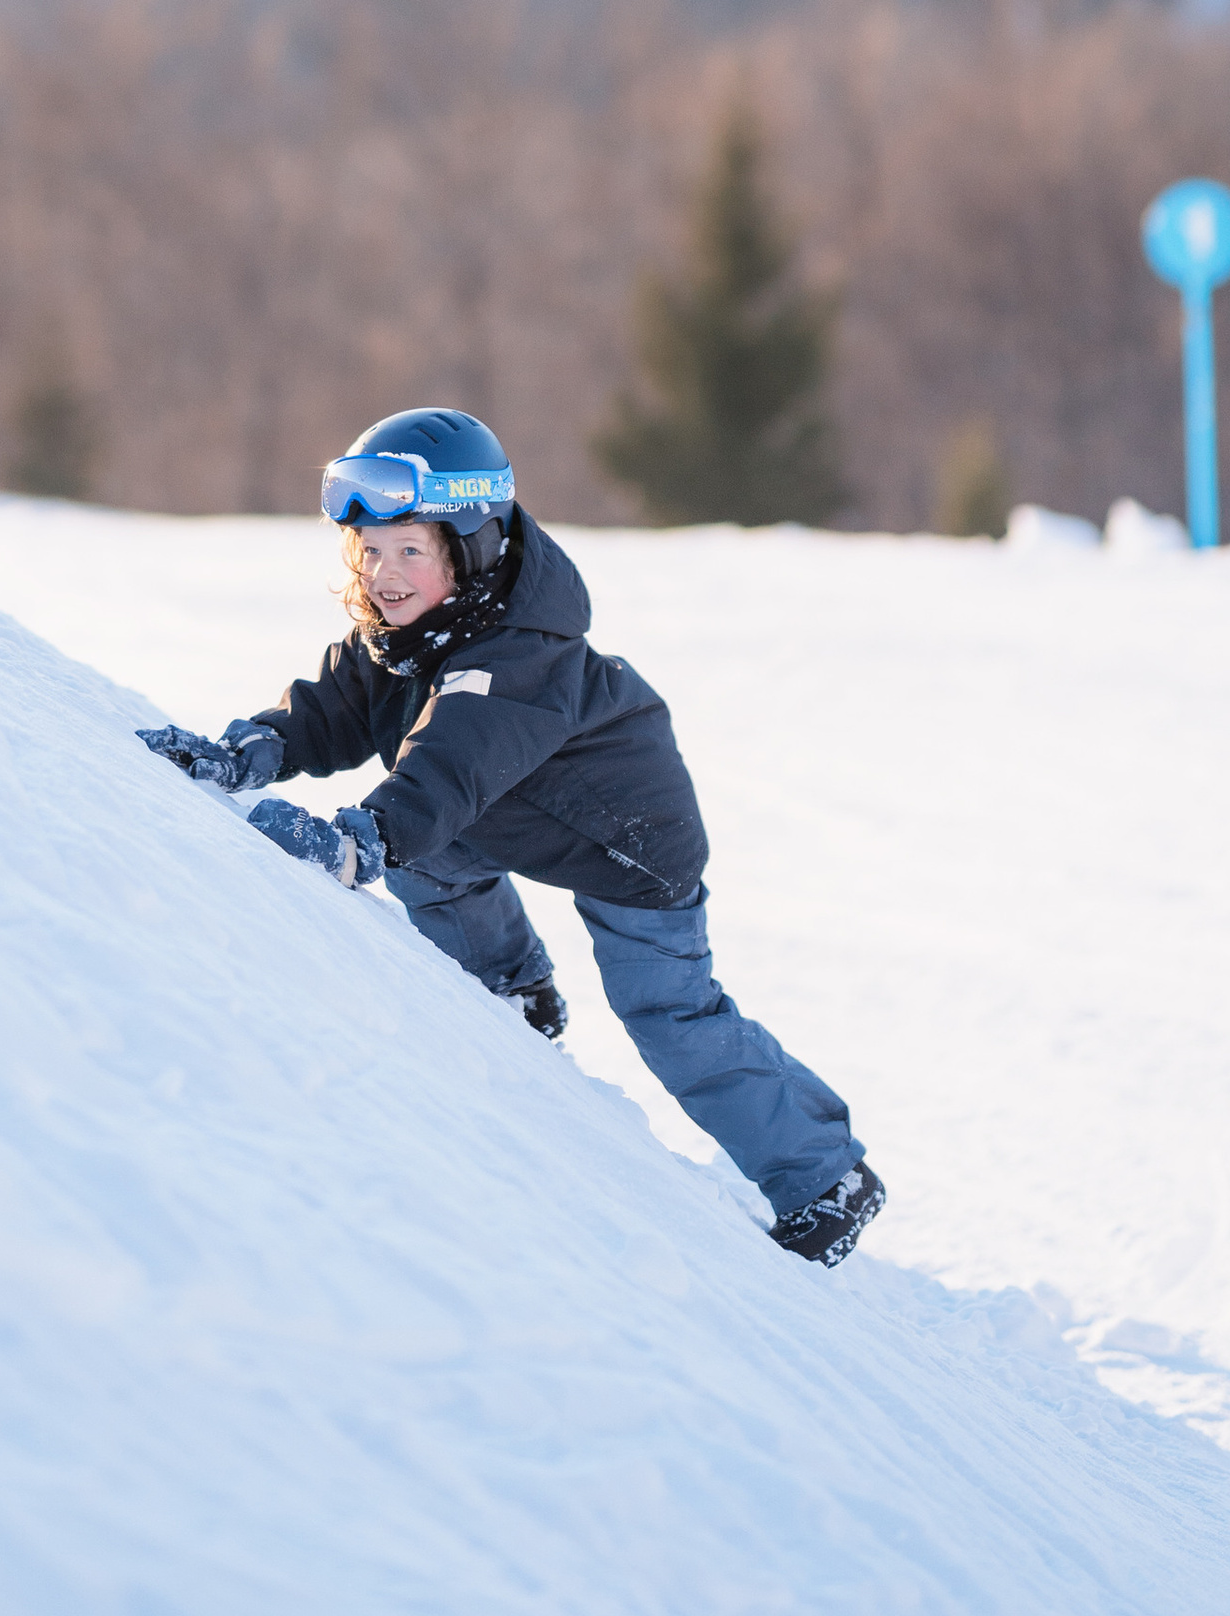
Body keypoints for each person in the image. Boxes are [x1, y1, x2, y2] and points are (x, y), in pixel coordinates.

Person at [139, 404, 885, 1266]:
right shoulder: (411, 631)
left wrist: (357, 843)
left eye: (409, 551)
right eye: (369, 551)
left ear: (472, 547)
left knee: (669, 1014)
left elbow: (449, 767)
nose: (383, 575)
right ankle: (514, 993)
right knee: (430, 865)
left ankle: (825, 1175)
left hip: (629, 841)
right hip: (512, 812)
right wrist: (248, 753)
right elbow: (332, 708)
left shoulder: (520, 655)